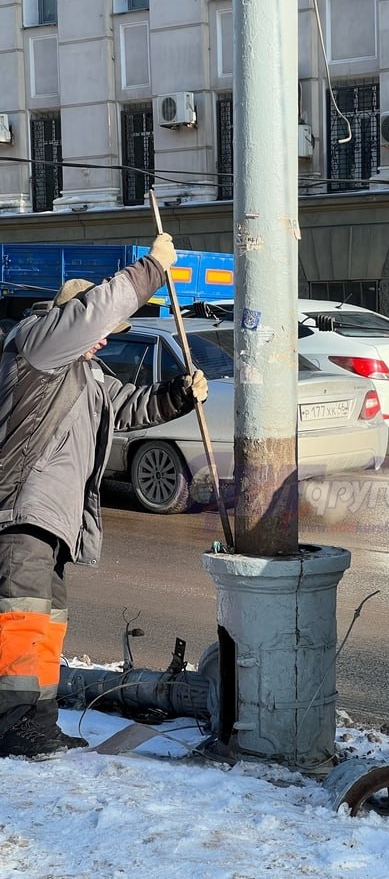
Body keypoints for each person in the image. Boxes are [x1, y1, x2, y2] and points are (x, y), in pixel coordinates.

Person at [0, 234, 209, 758]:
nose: (102, 343)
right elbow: (97, 311)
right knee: (21, 620)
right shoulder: (38, 345)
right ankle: (12, 726)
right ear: (70, 320)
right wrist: (152, 268)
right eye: (99, 335)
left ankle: (37, 722)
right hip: (22, 510)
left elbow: (130, 407)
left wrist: (179, 395)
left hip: (53, 520)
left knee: (46, 623)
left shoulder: (84, 373)